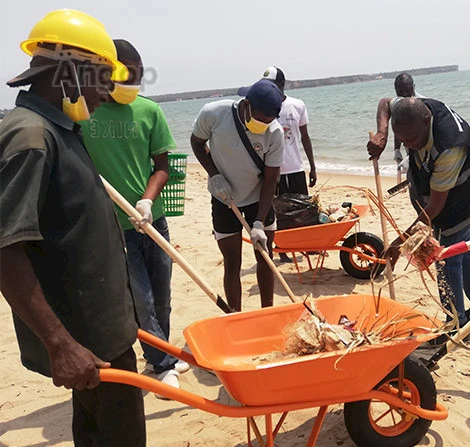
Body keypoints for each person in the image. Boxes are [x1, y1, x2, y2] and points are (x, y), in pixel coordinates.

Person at [0, 9, 146, 446]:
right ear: (67, 72)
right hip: (87, 345)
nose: (108, 91)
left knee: (94, 433)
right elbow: (6, 247)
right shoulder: (30, 137)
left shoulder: (59, 129)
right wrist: (61, 345)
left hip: (97, 335)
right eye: (102, 77)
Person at [79, 39, 189, 393]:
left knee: (162, 293)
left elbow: (162, 166)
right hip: (113, 225)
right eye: (127, 74)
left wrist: (146, 200)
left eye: (139, 76)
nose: (133, 83)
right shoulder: (83, 113)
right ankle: (163, 362)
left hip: (150, 219)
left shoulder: (149, 111)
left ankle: (160, 353)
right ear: (106, 72)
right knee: (139, 297)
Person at [367, 97, 470, 335]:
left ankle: (456, 328)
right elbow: (385, 102)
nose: (409, 145)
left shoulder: (450, 146)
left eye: (413, 140)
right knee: (463, 251)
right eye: (403, 140)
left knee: (446, 259)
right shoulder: (413, 108)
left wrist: (400, 244)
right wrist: (382, 134)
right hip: (450, 195)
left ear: (427, 120)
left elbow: (436, 207)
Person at [190, 79, 284, 312]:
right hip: (224, 198)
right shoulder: (214, 113)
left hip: (258, 197)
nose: (264, 124)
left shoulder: (275, 132)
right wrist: (214, 174)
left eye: (269, 121)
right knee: (232, 263)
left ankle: (267, 312)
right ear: (247, 104)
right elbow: (197, 141)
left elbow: (271, 179)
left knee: (265, 257)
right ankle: (235, 316)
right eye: (261, 118)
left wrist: (260, 222)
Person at [246, 66, 317, 263]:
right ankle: (283, 249)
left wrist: (312, 166)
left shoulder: (297, 105)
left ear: (281, 85)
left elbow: (305, 137)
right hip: (271, 170)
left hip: (294, 167)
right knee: (277, 210)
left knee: (303, 209)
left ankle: (309, 246)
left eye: (272, 85)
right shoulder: (262, 108)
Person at [392, 73, 423, 182]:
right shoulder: (398, 105)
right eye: (401, 92)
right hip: (411, 154)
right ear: (395, 90)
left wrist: (413, 156)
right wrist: (397, 149)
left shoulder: (422, 104)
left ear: (414, 87)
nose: (405, 94)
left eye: (407, 90)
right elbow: (399, 128)